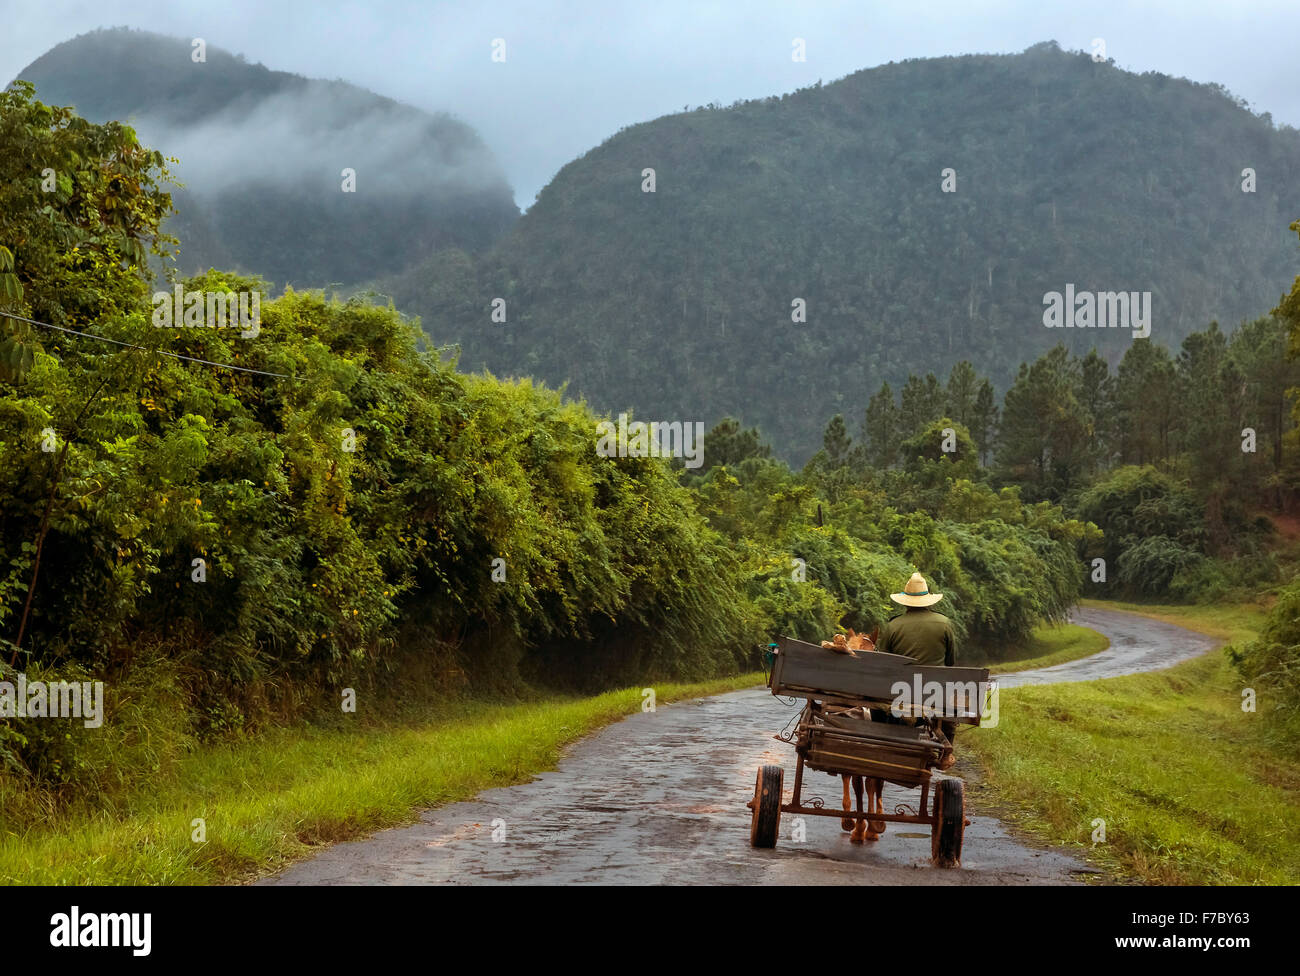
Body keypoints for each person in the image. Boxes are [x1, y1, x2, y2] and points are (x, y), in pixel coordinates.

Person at [873, 572, 959, 768]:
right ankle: (946, 752)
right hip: (933, 691)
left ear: (905, 602)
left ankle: (877, 735)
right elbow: (951, 661)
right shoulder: (944, 624)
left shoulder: (893, 625)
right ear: (928, 600)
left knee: (875, 701)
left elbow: (884, 662)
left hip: (898, 691)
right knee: (949, 711)